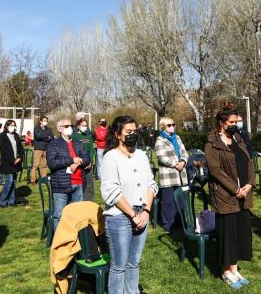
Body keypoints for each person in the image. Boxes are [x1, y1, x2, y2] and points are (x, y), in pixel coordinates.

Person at [100, 115, 158, 294]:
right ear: (118, 134)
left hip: (142, 213)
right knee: (119, 265)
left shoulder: (141, 155)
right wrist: (133, 215)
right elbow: (111, 192)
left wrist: (146, 211)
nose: (133, 134)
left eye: (135, 131)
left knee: (134, 262)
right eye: (128, 131)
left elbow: (151, 184)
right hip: (120, 217)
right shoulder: (110, 157)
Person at [205, 104, 254, 289]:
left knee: (240, 232)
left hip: (244, 195)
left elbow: (249, 162)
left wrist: (250, 184)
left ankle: (234, 268)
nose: (234, 125)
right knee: (228, 233)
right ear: (221, 123)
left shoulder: (239, 139)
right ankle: (226, 270)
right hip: (226, 196)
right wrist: (235, 189)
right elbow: (216, 171)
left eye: (236, 122)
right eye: (231, 122)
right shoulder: (212, 143)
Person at [47, 118, 90, 231]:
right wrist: (71, 160)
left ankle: (76, 238)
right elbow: (52, 163)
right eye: (66, 126)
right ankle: (60, 240)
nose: (70, 128)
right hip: (61, 184)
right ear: (59, 129)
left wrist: (78, 162)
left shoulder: (78, 143)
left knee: (77, 216)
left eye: (71, 125)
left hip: (79, 183)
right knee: (59, 216)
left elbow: (87, 158)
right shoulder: (53, 145)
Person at [154, 117, 189, 231]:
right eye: (169, 125)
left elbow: (184, 152)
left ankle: (181, 222)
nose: (172, 127)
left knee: (180, 200)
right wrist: (175, 164)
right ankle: (168, 224)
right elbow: (161, 157)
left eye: (173, 124)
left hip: (181, 174)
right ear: (163, 127)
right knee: (168, 202)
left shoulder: (177, 138)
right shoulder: (160, 140)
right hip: (168, 176)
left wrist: (183, 162)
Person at [0, 119, 25, 208]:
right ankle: (3, 201)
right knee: (9, 181)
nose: (13, 127)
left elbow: (21, 149)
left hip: (16, 163)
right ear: (6, 126)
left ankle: (12, 201)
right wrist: (12, 160)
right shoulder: (3, 136)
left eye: (14, 125)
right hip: (7, 163)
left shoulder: (16, 135)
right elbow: (3, 151)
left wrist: (19, 158)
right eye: (11, 125)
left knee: (13, 182)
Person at [72, 118, 96, 201]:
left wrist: (90, 162)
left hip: (88, 161)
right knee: (80, 182)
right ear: (78, 126)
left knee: (89, 183)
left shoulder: (89, 136)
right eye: (83, 125)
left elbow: (91, 149)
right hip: (79, 161)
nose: (84, 127)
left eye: (86, 125)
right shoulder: (74, 136)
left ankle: (89, 200)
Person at [33, 116, 55, 182]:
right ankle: (33, 180)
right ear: (40, 121)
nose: (45, 122)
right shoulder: (36, 128)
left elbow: (52, 138)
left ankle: (44, 178)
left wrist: (43, 137)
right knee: (35, 165)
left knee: (44, 165)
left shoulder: (48, 129)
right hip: (38, 148)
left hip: (46, 148)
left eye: (46, 121)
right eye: (44, 121)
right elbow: (37, 136)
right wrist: (47, 137)